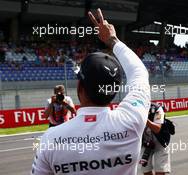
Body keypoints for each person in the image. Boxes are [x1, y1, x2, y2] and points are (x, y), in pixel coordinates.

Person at [31, 9, 150, 175]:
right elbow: (140, 73)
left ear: (80, 88)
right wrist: (113, 40)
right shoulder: (132, 120)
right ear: (114, 90)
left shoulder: (51, 138)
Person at [140, 103, 171, 175]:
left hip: (160, 143)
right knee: (146, 170)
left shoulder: (157, 109)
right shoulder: (135, 109)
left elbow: (157, 128)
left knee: (160, 171)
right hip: (145, 144)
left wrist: (144, 119)